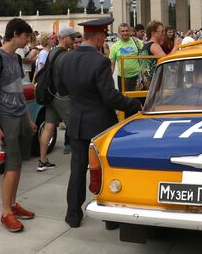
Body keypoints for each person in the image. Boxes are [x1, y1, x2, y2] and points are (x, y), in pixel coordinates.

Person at [57, 17, 141, 228]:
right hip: (100, 124)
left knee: (77, 170)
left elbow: (62, 90)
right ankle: (110, 220)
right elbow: (110, 97)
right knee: (103, 171)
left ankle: (73, 215)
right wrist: (133, 104)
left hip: (76, 121)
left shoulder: (65, 59)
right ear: (100, 36)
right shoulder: (99, 61)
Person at [0, 18, 37, 233]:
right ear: (15, 33)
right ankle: (6, 212)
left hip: (19, 116)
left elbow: (18, 91)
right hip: (6, 118)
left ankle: (13, 204)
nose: (27, 41)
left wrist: (28, 120)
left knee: (18, 165)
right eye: (26, 37)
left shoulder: (15, 58)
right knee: (12, 166)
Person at [37, 27, 79, 172]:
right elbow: (68, 77)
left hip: (51, 94)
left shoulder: (52, 53)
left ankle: (42, 160)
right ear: (64, 37)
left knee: (49, 126)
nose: (73, 41)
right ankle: (82, 160)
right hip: (62, 95)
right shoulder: (65, 55)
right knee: (76, 126)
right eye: (72, 38)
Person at [110, 23, 143, 92]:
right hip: (122, 78)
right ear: (119, 33)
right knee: (125, 100)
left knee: (137, 100)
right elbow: (112, 65)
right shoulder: (114, 46)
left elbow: (147, 51)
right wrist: (109, 78)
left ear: (130, 31)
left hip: (137, 77)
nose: (125, 33)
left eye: (127, 31)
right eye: (123, 31)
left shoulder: (137, 42)